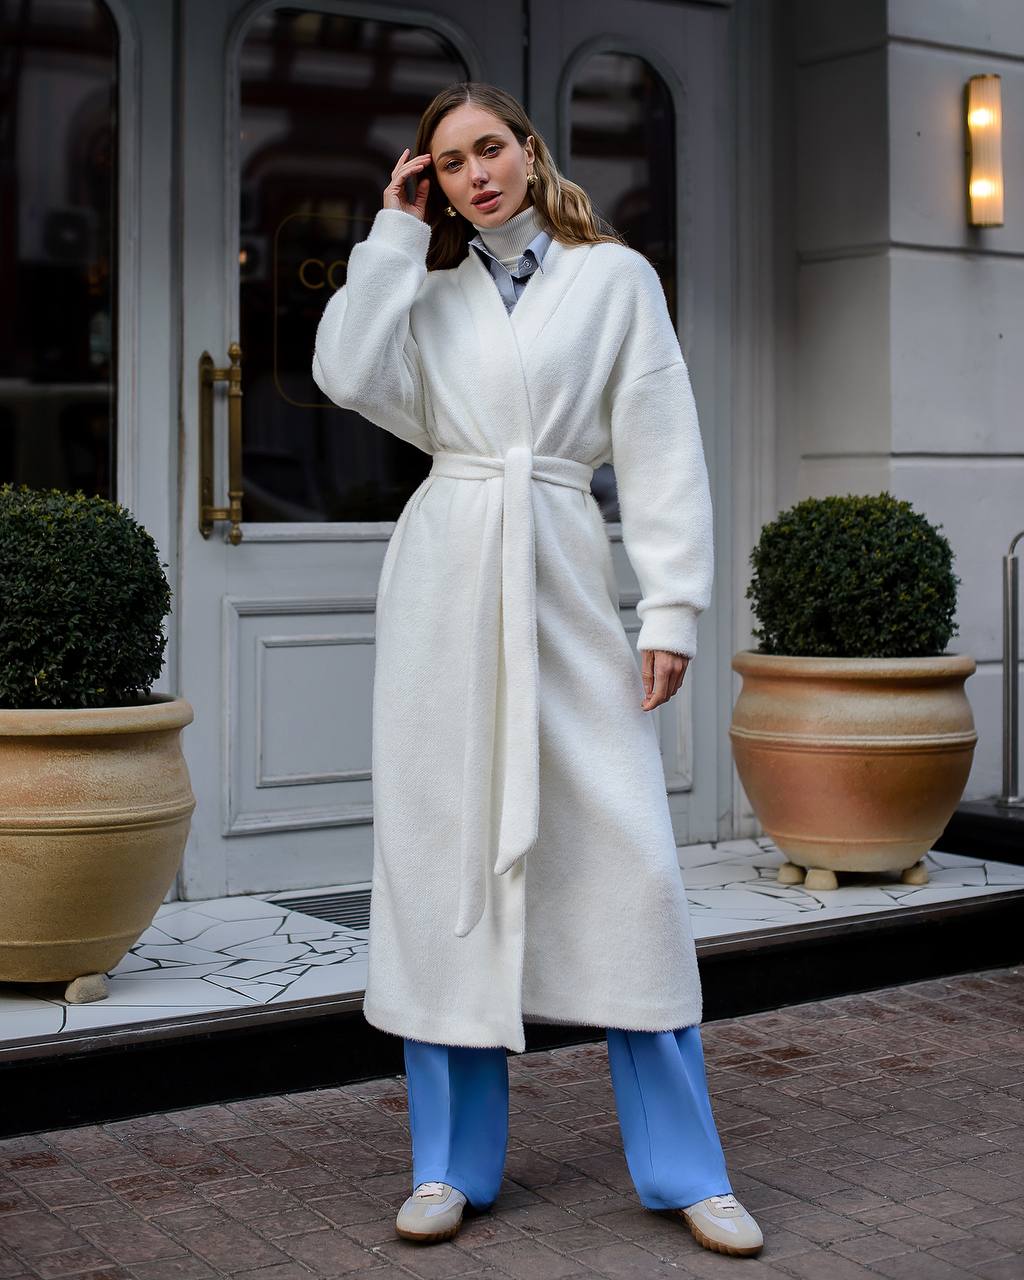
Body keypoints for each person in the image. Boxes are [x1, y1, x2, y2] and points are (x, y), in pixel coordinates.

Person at [311, 81, 764, 1258]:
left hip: (562, 570)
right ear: (432, 180)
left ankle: (686, 1169)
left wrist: (670, 604)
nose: (475, 174)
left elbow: (661, 441)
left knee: (632, 868)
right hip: (446, 581)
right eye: (447, 162)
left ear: (529, 148)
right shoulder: (425, 285)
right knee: (442, 855)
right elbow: (344, 373)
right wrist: (392, 234)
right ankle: (447, 1164)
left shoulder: (614, 279)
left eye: (489, 148)